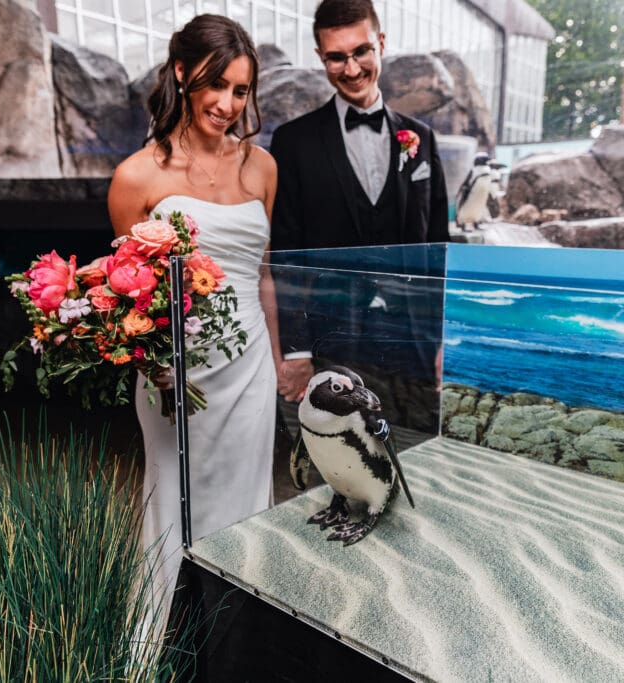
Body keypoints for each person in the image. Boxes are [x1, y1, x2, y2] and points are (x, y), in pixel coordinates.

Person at [107, 13, 280, 643]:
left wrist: (282, 361)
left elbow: (261, 278)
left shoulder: (262, 168)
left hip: (251, 368)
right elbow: (128, 296)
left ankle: (236, 647)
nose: (230, 104)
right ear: (183, 74)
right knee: (172, 503)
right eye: (217, 86)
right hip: (173, 369)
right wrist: (152, 363)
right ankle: (162, 647)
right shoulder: (136, 177)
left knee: (246, 504)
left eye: (241, 91)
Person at [269, 0, 449, 403]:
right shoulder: (293, 143)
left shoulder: (423, 139)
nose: (351, 70)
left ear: (380, 44)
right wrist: (296, 351)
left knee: (411, 455)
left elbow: (440, 248)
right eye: (336, 58)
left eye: (361, 52)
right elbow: (287, 255)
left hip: (412, 343)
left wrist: (444, 339)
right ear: (321, 58)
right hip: (330, 341)